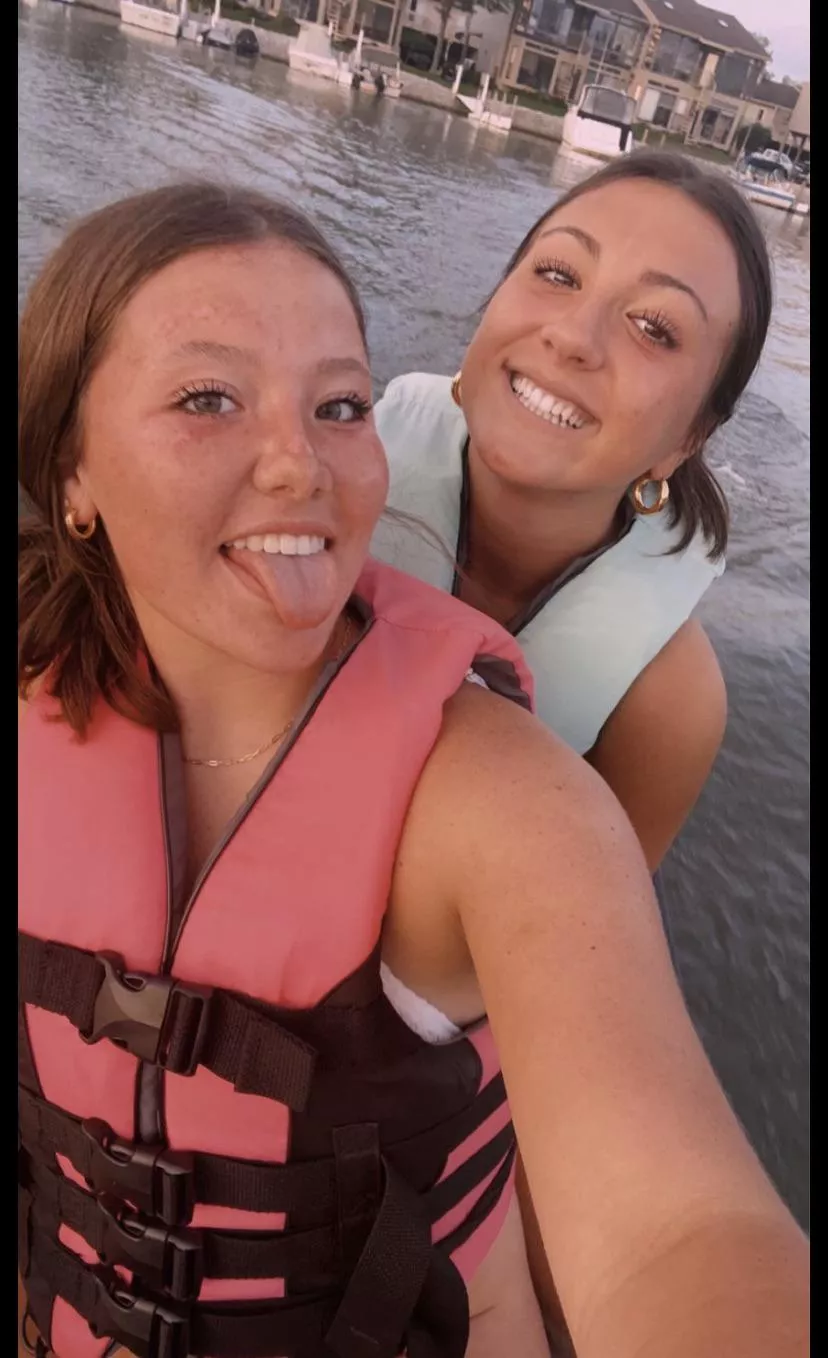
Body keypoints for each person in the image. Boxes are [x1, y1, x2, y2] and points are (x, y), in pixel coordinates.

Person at [18, 183, 807, 1358]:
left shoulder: (620, 724)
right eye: (555, 272)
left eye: (654, 327)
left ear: (689, 438)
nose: (574, 336)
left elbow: (605, 1084)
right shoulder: (305, 499)